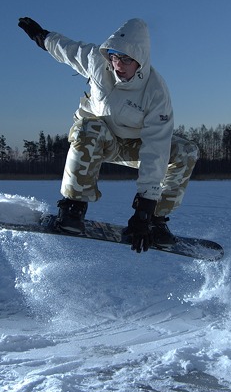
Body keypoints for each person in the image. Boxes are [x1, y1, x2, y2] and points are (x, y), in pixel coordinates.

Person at [18, 17, 199, 253]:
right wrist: (43, 37)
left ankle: (156, 221)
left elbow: (156, 146)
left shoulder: (156, 91)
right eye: (114, 57)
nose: (118, 64)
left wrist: (144, 208)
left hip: (136, 147)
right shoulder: (96, 61)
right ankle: (73, 207)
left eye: (125, 59)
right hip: (98, 141)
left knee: (186, 151)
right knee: (88, 127)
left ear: (140, 60)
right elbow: (68, 50)